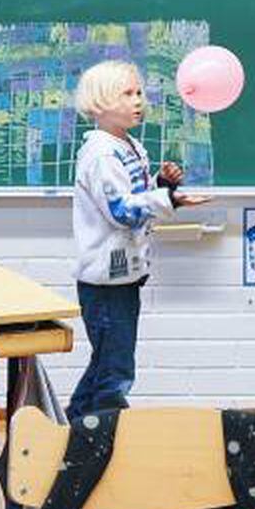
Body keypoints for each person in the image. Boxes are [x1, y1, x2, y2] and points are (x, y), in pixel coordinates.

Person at [66, 59, 210, 421]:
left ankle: (77, 424)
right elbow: (121, 211)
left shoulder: (127, 146)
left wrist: (163, 187)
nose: (138, 101)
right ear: (99, 104)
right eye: (127, 94)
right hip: (105, 280)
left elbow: (137, 198)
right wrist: (168, 200)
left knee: (109, 358)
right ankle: (105, 430)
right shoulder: (101, 154)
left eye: (139, 93)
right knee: (116, 368)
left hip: (124, 275)